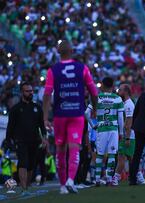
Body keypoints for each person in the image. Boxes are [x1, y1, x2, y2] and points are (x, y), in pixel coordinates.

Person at [43, 40, 98, 194]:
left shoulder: (52, 70)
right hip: (76, 114)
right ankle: (70, 180)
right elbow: (93, 92)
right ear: (72, 51)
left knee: (60, 150)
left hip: (60, 115)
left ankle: (62, 186)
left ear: (58, 52)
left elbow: (47, 95)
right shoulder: (83, 68)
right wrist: (95, 108)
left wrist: (45, 117)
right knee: (74, 147)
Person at [5, 82, 47, 195]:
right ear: (22, 93)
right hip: (20, 141)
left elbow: (42, 126)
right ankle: (23, 188)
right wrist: (8, 140)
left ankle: (27, 187)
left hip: (35, 141)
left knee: (31, 165)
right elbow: (10, 126)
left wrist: (44, 138)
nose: (31, 93)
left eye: (31, 91)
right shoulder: (15, 109)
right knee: (23, 163)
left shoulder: (37, 108)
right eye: (28, 91)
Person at [85, 77, 124, 186]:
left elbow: (86, 113)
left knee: (100, 154)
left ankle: (97, 180)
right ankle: (109, 179)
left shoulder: (97, 98)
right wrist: (121, 133)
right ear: (112, 85)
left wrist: (93, 125)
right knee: (112, 154)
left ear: (102, 85)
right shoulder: (117, 99)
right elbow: (121, 119)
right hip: (113, 129)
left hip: (101, 128)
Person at [114, 84, 145, 185]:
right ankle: (140, 177)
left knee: (122, 157)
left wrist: (126, 137)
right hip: (128, 135)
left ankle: (116, 178)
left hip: (128, 136)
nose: (118, 92)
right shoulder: (125, 103)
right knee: (131, 158)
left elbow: (129, 122)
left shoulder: (128, 105)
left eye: (120, 90)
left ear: (126, 92)